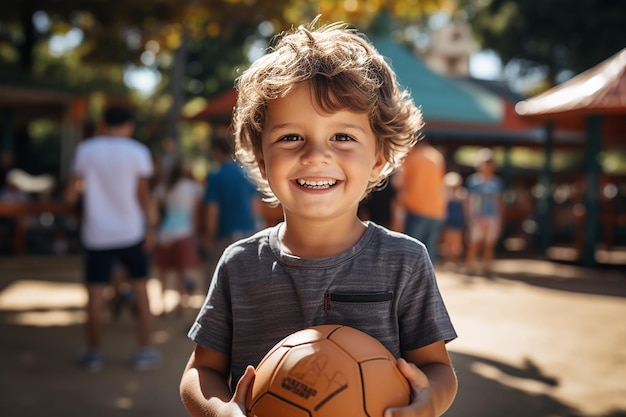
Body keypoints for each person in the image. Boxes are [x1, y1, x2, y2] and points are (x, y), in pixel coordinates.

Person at [180, 21, 458, 417]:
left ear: (378, 158)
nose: (315, 155)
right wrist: (220, 411)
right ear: (262, 159)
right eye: (291, 137)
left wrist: (429, 403)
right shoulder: (240, 265)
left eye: (342, 137)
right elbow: (200, 370)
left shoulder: (404, 260)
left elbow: (438, 369)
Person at [66, 105, 160, 372]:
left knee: (95, 295)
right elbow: (144, 195)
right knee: (141, 291)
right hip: (131, 231)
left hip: (96, 233)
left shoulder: (86, 150)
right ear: (129, 124)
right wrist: (151, 227)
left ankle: (94, 353)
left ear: (102, 124)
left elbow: (72, 195)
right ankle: (144, 350)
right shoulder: (138, 151)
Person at [202, 134, 258, 279]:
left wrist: (209, 236)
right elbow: (254, 206)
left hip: (224, 235)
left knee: (217, 279)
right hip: (249, 232)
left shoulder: (216, 176)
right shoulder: (244, 174)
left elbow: (212, 210)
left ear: (215, 151)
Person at [152, 156, 203, 316]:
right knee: (183, 271)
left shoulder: (164, 187)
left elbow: (154, 205)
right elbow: (196, 212)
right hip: (184, 232)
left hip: (165, 233)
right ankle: (182, 304)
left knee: (162, 272)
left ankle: (162, 304)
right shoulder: (191, 187)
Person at [400, 140, 447, 264]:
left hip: (416, 208)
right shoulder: (436, 156)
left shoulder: (413, 157)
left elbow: (401, 182)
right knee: (429, 252)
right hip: (436, 210)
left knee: (411, 251)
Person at [464, 148, 504, 276]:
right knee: (474, 242)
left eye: (489, 162)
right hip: (477, 217)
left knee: (489, 243)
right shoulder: (473, 181)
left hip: (492, 217)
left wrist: (500, 218)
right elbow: (469, 201)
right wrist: (469, 216)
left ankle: (487, 268)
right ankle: (470, 267)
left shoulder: (497, 182)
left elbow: (499, 201)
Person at [441, 171, 467, 270]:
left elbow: (465, 209)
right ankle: (448, 261)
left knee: (457, 243)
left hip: (458, 221)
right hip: (448, 221)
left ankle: (456, 262)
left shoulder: (462, 194)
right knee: (447, 242)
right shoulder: (445, 195)